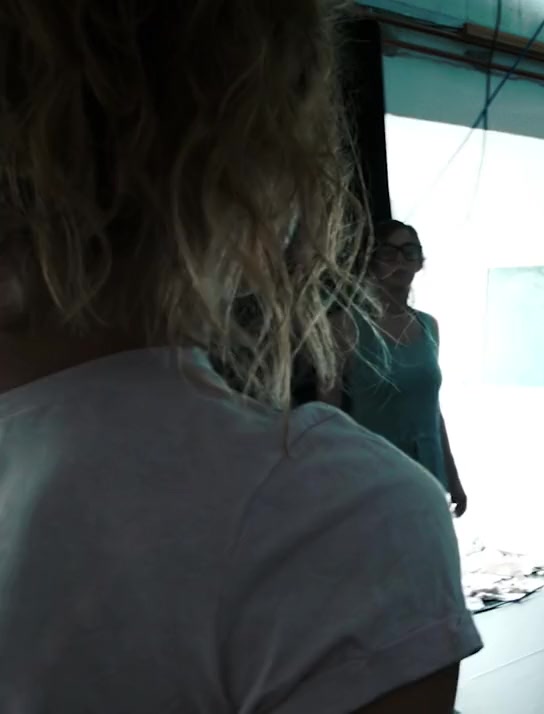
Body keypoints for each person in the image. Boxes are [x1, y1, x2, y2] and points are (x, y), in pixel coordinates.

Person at [0, 2, 481, 713]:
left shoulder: (416, 353)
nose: (407, 261)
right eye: (398, 250)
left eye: (414, 252)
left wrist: (447, 472)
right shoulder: (331, 513)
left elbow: (431, 405)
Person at [320, 220, 468, 516]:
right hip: (373, 473)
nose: (400, 261)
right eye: (389, 253)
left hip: (429, 472)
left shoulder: (428, 326)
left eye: (409, 252)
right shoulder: (345, 326)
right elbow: (327, 415)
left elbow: (432, 410)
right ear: (371, 261)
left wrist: (453, 477)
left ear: (419, 261)